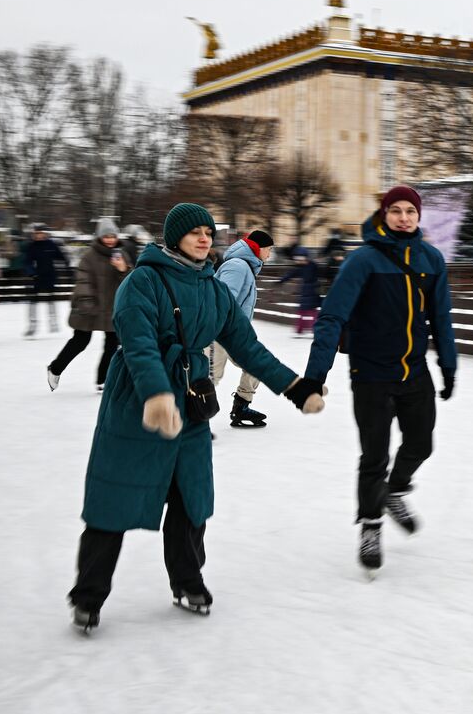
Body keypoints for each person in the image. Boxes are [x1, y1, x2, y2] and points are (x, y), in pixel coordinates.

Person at [67, 203, 326, 633]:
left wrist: (293, 387)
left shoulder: (213, 288)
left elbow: (248, 347)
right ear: (174, 238)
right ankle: (88, 596)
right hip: (137, 403)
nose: (205, 238)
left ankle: (187, 581)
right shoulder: (142, 281)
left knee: (192, 499)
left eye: (209, 232)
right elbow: (138, 345)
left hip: (189, 403)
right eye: (195, 232)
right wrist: (155, 396)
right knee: (114, 500)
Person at [301, 185, 457, 571]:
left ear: (419, 216)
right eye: (396, 210)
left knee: (421, 444)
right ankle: (370, 524)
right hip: (371, 374)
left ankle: (395, 490)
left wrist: (448, 365)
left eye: (411, 211)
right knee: (374, 455)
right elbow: (332, 316)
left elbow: (441, 318)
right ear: (384, 214)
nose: (404, 217)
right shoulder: (364, 260)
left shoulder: (431, 259)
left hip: (413, 371)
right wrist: (315, 375)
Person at [48, 219, 132, 392]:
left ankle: (103, 379)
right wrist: (86, 300)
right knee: (80, 341)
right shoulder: (89, 257)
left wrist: (123, 269)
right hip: (90, 306)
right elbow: (83, 280)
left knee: (112, 344)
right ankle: (55, 369)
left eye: (113, 236)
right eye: (106, 236)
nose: (110, 239)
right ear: (100, 237)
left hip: (111, 307)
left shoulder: (121, 255)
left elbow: (130, 282)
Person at [210, 230, 275, 428]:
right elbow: (223, 301)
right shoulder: (237, 266)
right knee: (210, 377)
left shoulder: (245, 266)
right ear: (259, 248)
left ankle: (241, 406)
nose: (270, 254)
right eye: (269, 249)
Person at [24, 224, 68, 336]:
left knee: (51, 299)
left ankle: (53, 323)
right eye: (37, 234)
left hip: (50, 275)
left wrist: (65, 259)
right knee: (33, 301)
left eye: (41, 233)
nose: (39, 236)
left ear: (46, 234)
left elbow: (61, 257)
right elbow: (28, 262)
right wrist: (32, 273)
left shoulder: (51, 244)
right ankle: (32, 325)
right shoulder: (32, 246)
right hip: (37, 277)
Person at [277, 248, 322, 335]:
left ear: (305, 258)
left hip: (313, 291)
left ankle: (313, 329)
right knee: (302, 312)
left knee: (312, 312)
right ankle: (300, 329)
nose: (298, 261)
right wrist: (281, 281)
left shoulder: (313, 266)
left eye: (300, 259)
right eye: (297, 259)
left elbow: (322, 273)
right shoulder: (300, 268)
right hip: (306, 291)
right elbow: (290, 274)